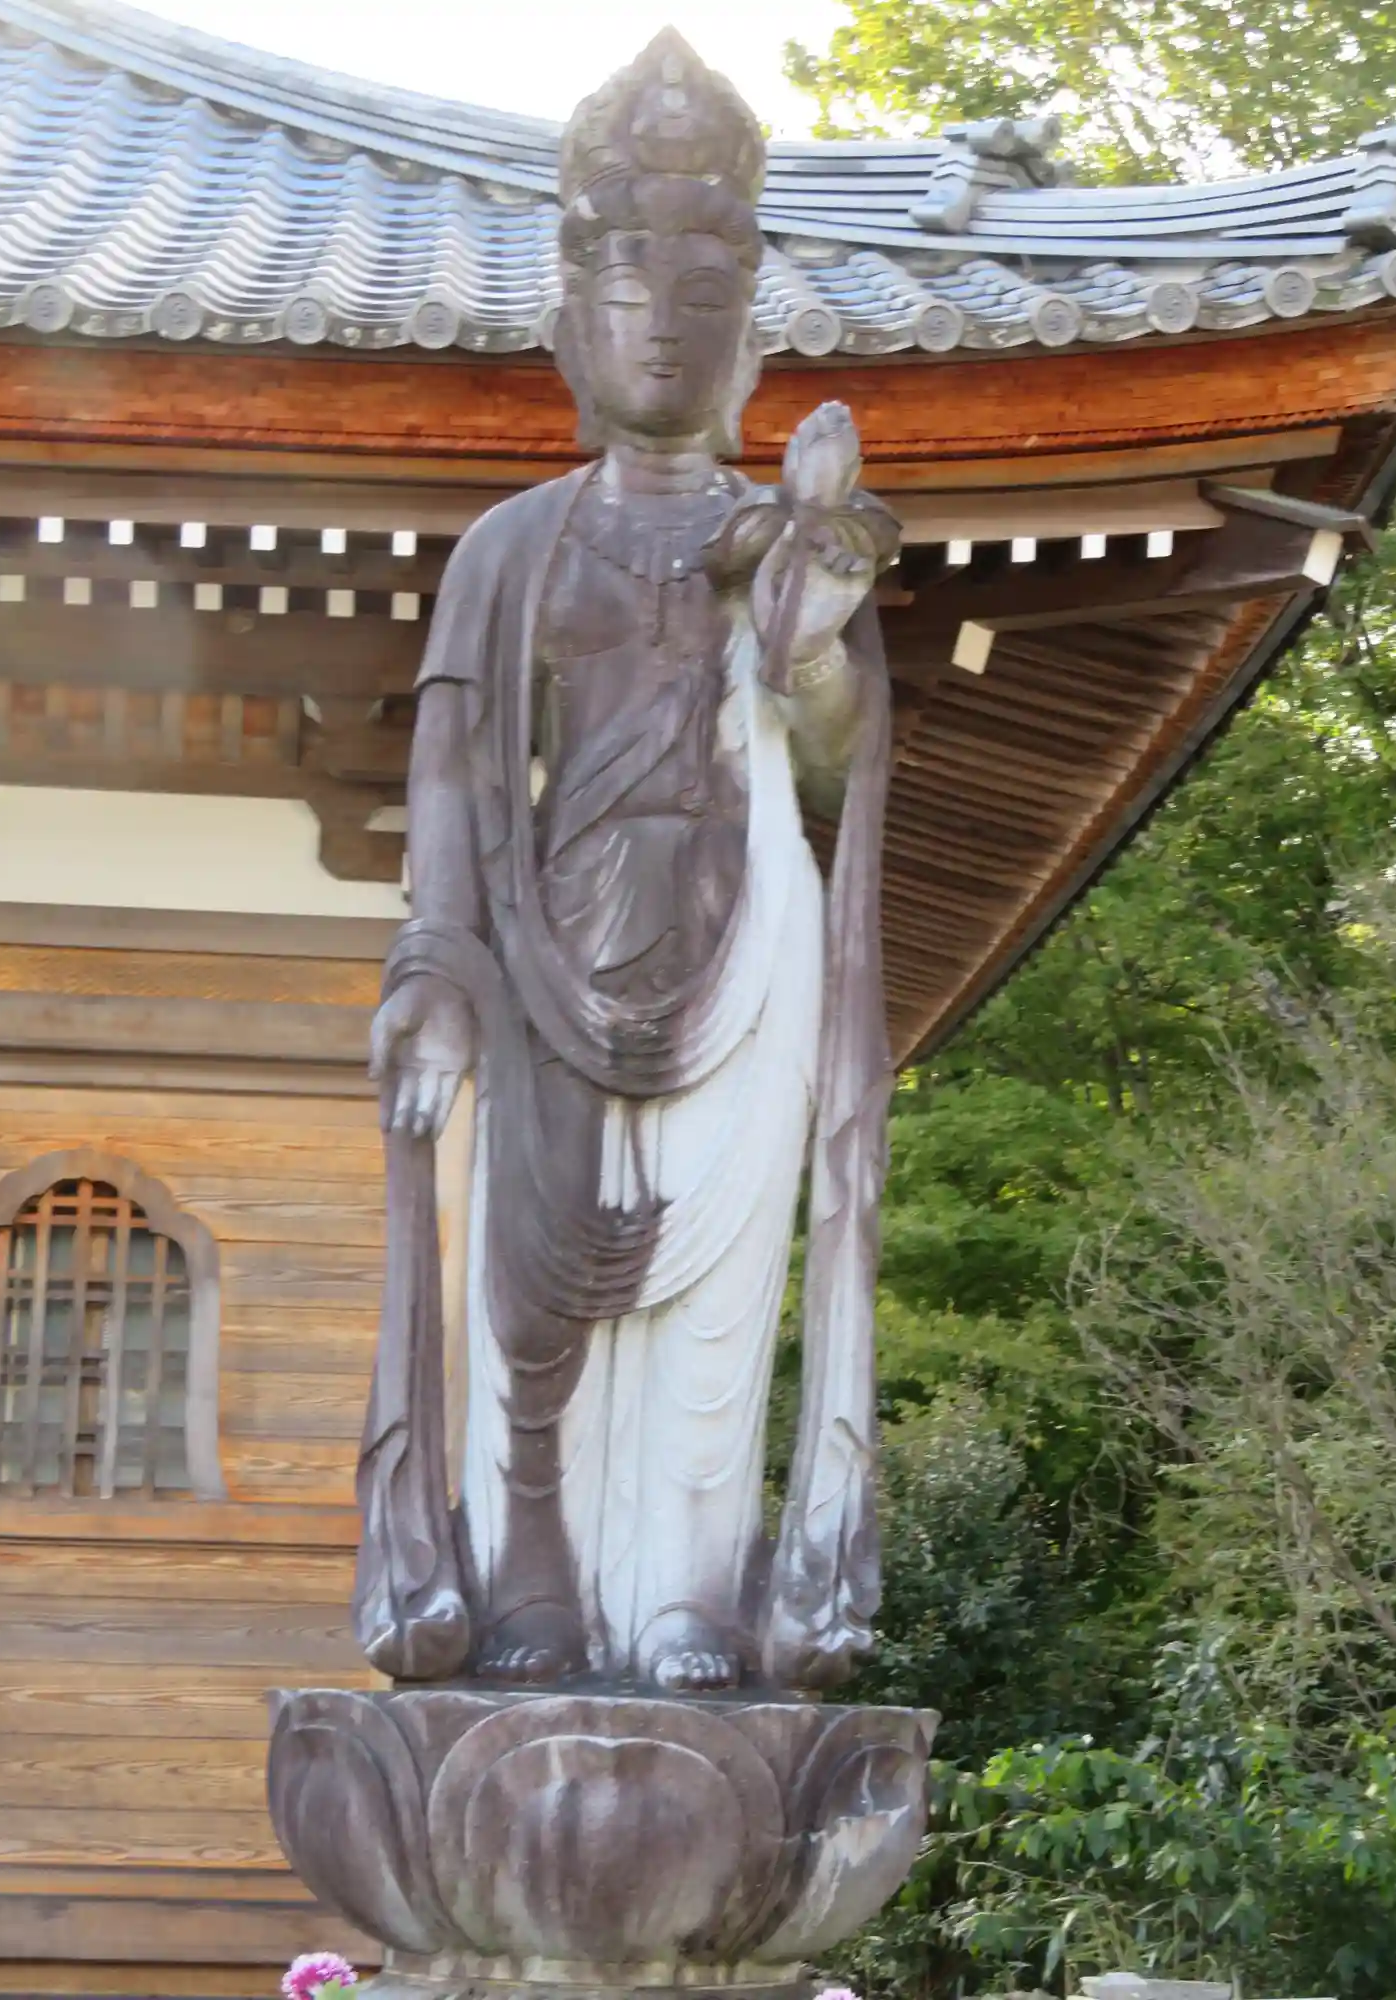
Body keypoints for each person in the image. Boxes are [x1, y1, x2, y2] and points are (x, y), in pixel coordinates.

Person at [357, 29, 896, 1695]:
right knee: (536, 1294)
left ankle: (686, 1599)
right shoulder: (513, 548)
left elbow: (834, 749)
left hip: (742, 942)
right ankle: (533, 1580)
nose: (666, 320)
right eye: (628, 287)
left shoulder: (779, 544)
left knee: (713, 1298)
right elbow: (456, 771)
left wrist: (814, 632)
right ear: (568, 328)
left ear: (750, 339)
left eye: (705, 290)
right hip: (550, 945)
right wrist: (436, 963)